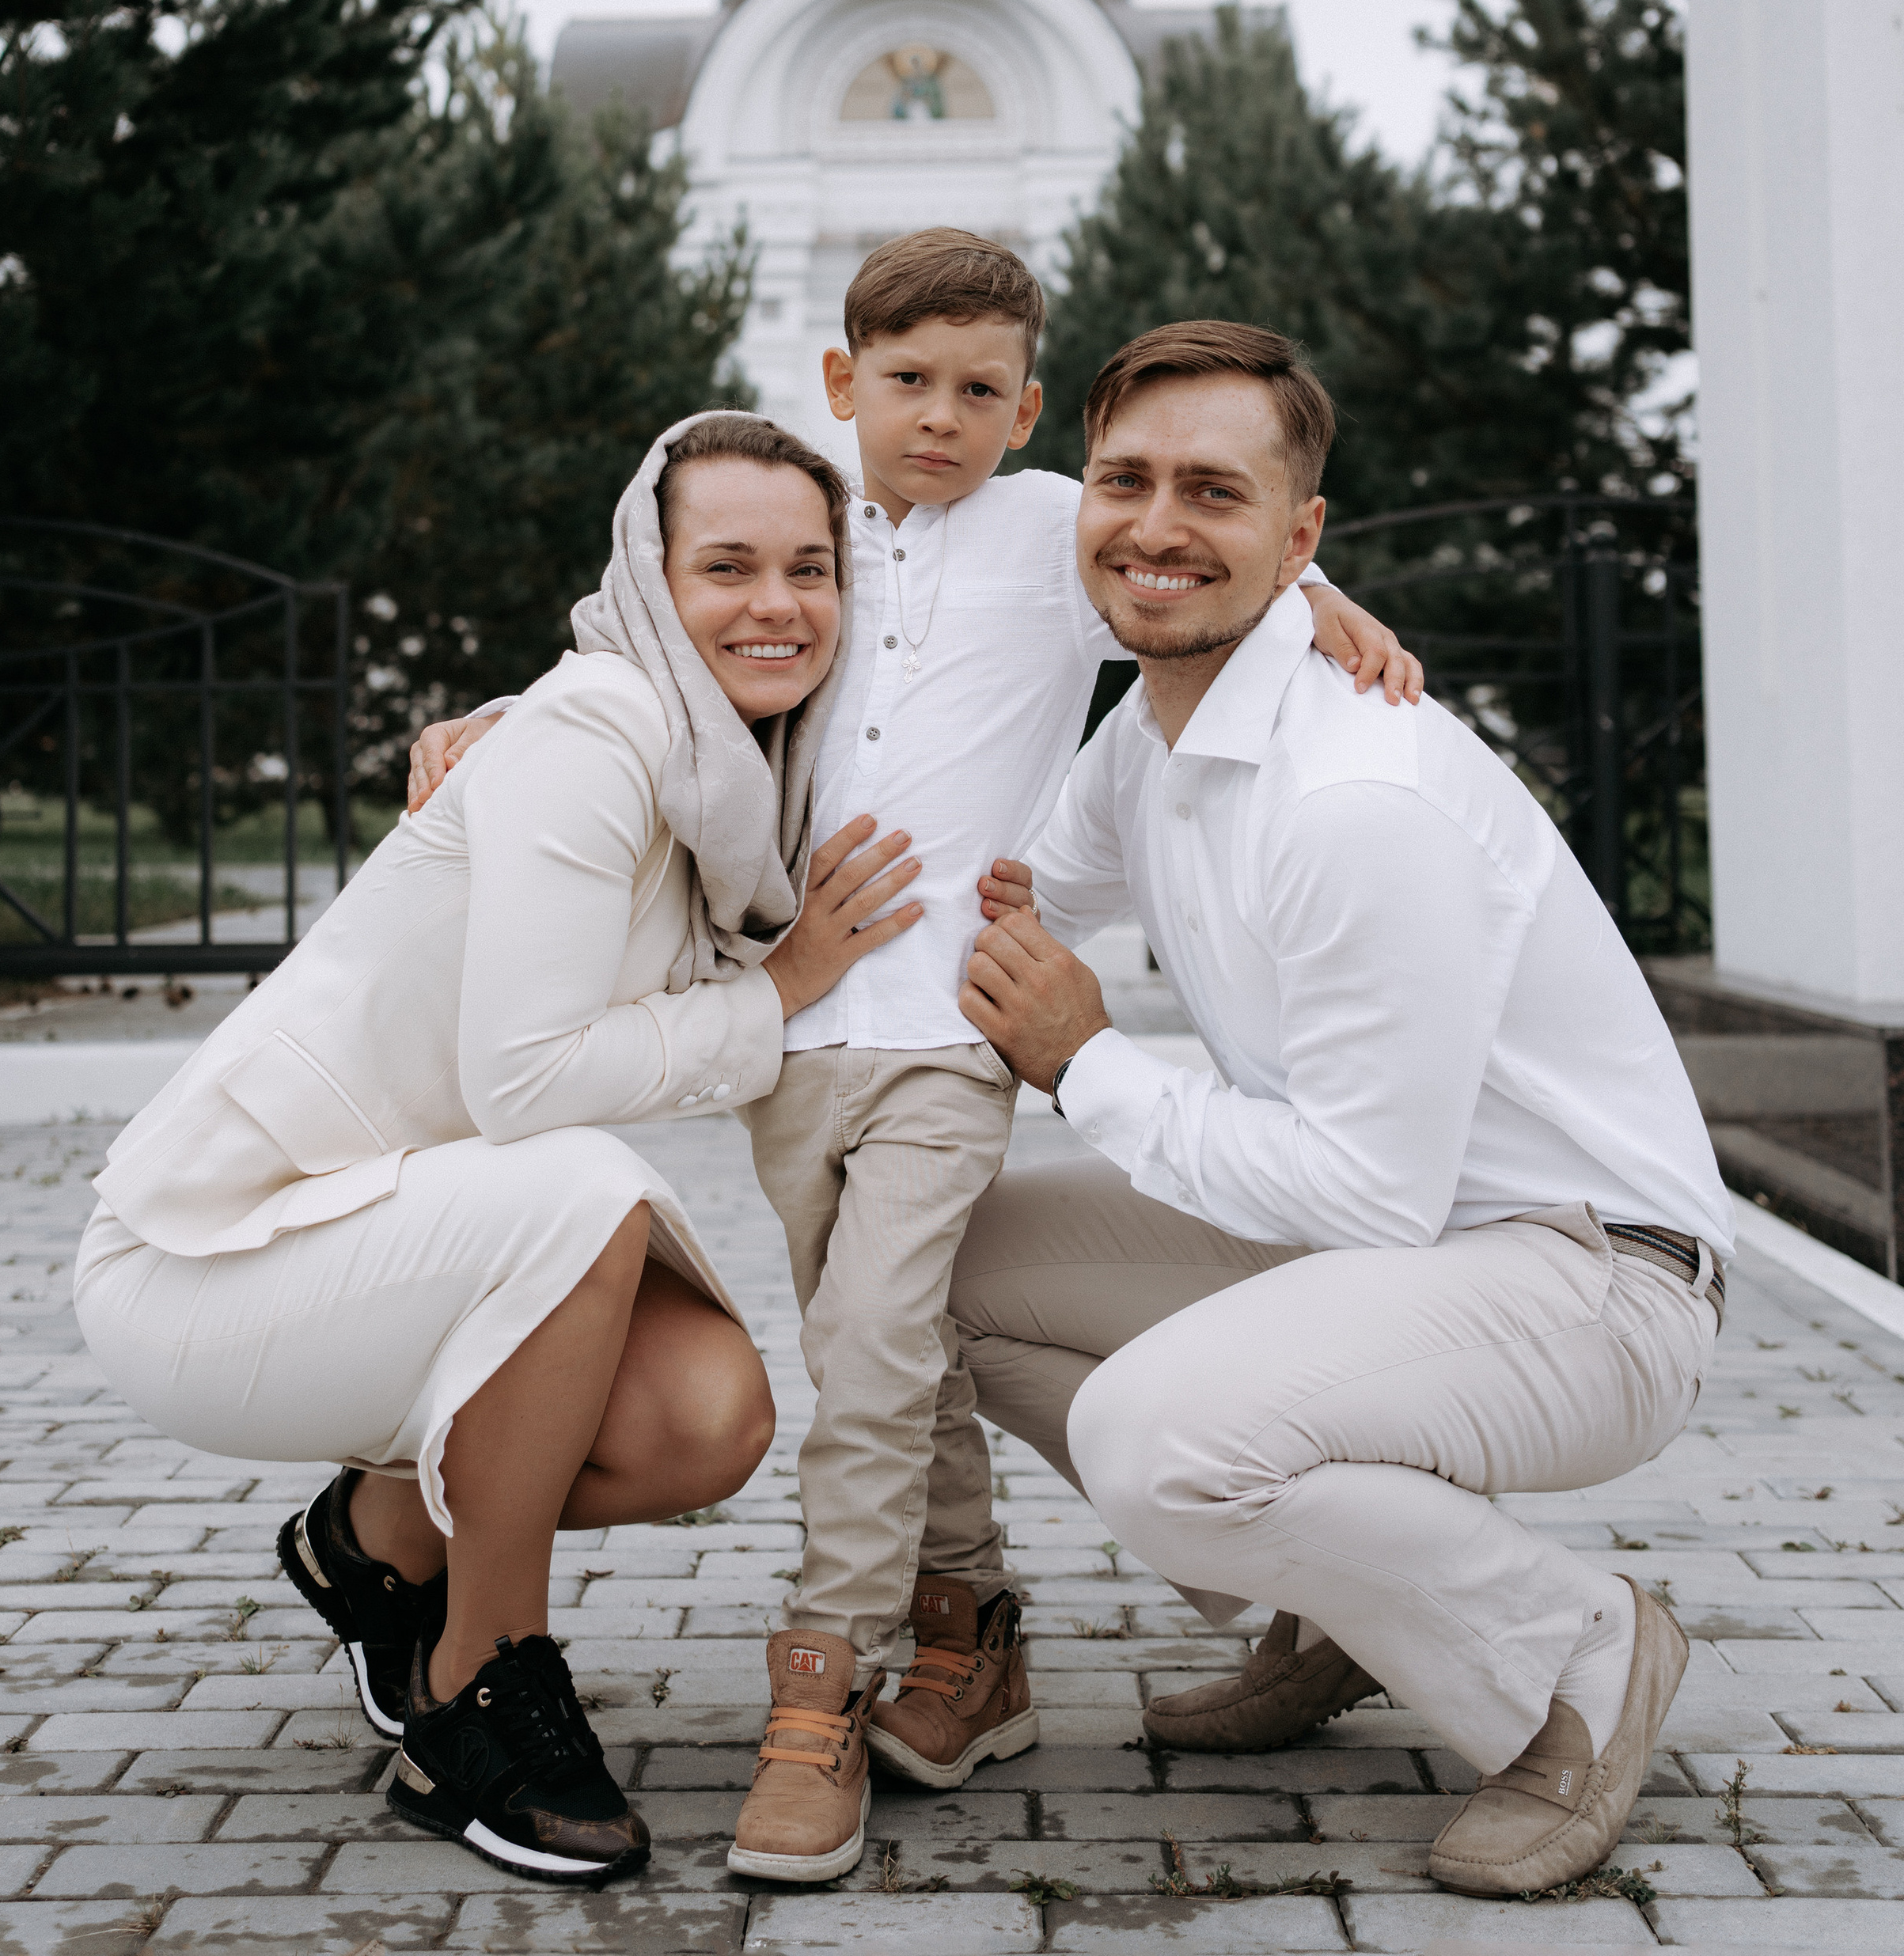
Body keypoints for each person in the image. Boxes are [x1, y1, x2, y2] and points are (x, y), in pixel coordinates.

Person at [408, 230, 1422, 1886]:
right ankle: (972, 1631)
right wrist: (510, 713)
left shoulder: (1047, 531)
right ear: (838, 384)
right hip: (790, 1029)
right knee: (888, 1344)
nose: (937, 417)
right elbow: (662, 640)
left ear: (1025, 408)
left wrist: (1323, 600)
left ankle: (821, 1685)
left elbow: (1191, 566)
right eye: (903, 383)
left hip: (953, 1027)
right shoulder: (805, 516)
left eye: (975, 390)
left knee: (872, 1348)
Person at [71, 414, 925, 1895]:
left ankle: (376, 1540)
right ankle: (480, 1677)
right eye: (725, 565)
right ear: (651, 584)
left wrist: (1309, 598)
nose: (776, 603)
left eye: (810, 566)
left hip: (406, 1246)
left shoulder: (738, 781)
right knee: (580, 1190)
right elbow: (524, 1083)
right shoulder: (596, 732)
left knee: (708, 1414)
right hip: (214, 1258)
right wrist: (773, 1000)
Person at [945, 319, 1732, 1904]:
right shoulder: (1155, 732)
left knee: (1151, 1434)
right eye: (1124, 479)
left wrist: (1088, 1057)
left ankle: (1571, 1658)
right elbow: (1003, 887)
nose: (1155, 526)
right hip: (1382, 1245)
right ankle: (1343, 1610)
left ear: (1297, 537)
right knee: (941, 1274)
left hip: (1587, 1278)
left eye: (1213, 492)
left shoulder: (1350, 795)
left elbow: (1366, 1193)